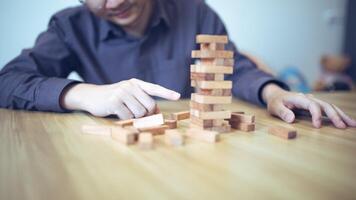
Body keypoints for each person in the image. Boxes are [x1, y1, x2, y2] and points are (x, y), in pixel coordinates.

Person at [0, 0, 355, 129]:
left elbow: (235, 69)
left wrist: (275, 92)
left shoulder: (196, 12)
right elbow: (9, 80)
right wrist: (83, 94)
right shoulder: (69, 25)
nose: (116, 1)